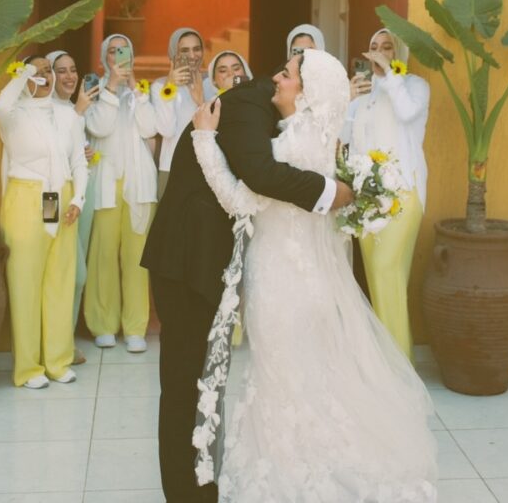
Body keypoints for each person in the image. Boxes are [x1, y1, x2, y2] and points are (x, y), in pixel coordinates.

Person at [189, 50, 437, 501]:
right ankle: (306, 459)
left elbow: (239, 200)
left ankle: (289, 473)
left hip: (282, 283)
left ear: (306, 94)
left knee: (280, 378)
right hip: (302, 279)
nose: (276, 79)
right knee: (299, 378)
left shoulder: (293, 146)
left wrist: (205, 141)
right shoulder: (314, 139)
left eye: (286, 75)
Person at [142, 52, 354, 503]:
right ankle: (185, 493)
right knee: (186, 382)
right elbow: (259, 176)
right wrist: (330, 192)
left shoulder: (280, 118)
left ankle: (205, 478)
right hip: (187, 260)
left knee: (208, 378)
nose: (276, 76)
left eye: (288, 73)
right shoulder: (246, 107)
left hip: (214, 260)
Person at [0, 56, 86, 388]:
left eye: (49, 70)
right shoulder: (13, 115)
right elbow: (0, 104)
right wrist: (26, 74)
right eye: (38, 70)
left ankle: (57, 362)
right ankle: (29, 369)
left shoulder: (67, 115)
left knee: (60, 280)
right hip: (25, 198)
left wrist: (78, 199)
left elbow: (79, 160)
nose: (45, 75)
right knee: (25, 283)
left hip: (62, 198)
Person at [344, 27, 430, 360]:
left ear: (399, 52)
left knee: (385, 270)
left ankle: (399, 365)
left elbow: (407, 112)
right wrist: (349, 100)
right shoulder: (364, 94)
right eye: (373, 47)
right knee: (381, 279)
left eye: (387, 47)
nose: (378, 52)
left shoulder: (414, 86)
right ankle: (389, 363)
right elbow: (344, 139)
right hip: (367, 198)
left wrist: (390, 74)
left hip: (404, 191)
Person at [83, 34, 158, 352]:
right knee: (103, 255)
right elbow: (99, 127)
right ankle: (103, 324)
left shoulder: (141, 92)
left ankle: (135, 327)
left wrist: (135, 89)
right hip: (105, 183)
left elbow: (150, 128)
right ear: (104, 58)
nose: (118, 56)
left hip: (138, 185)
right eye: (112, 51)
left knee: (136, 258)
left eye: (123, 50)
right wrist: (112, 87)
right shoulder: (94, 88)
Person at [46, 49, 97, 361]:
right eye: (60, 70)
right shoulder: (44, 108)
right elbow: (49, 154)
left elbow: (73, 151)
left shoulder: (73, 107)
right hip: (54, 199)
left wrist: (83, 152)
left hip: (80, 196)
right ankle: (53, 343)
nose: (69, 76)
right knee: (69, 273)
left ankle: (65, 341)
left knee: (77, 275)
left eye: (73, 69)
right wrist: (78, 112)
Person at [151, 26, 216, 195]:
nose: (192, 56)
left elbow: (218, 128)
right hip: (172, 166)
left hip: (208, 167)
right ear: (174, 54)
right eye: (185, 51)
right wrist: (170, 86)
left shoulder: (212, 83)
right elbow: (166, 130)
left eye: (197, 49)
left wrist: (201, 99)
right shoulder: (160, 86)